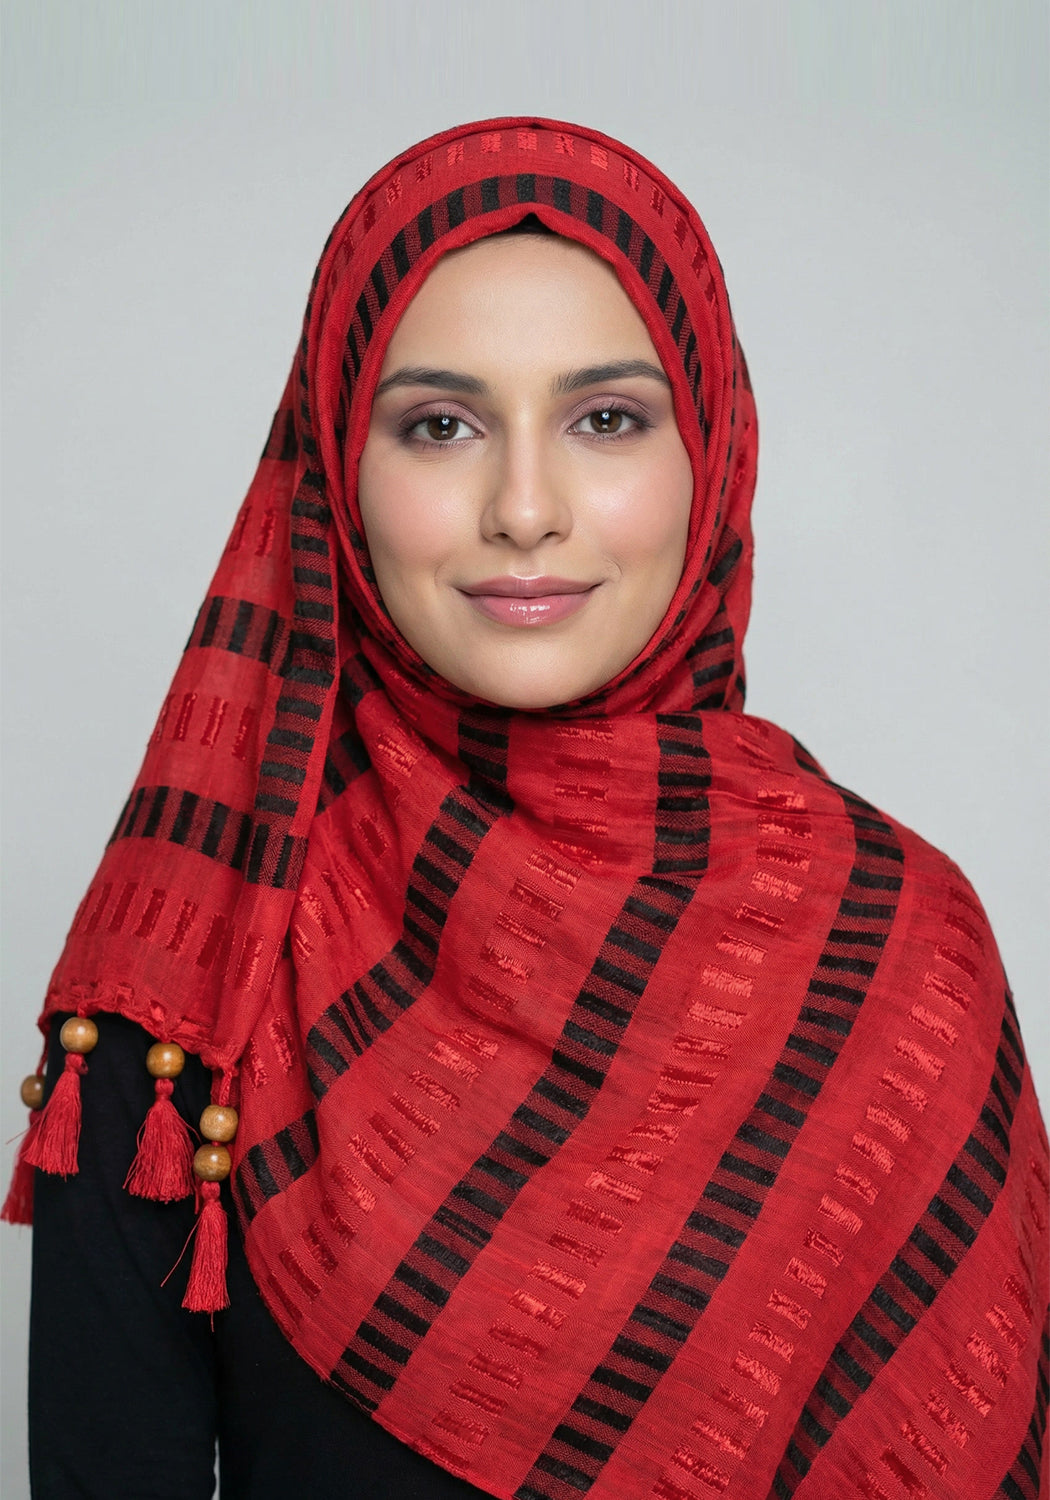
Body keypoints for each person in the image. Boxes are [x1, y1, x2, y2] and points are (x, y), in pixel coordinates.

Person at [6, 117, 1047, 1500]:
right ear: (335, 472)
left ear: (712, 455)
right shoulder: (200, 973)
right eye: (439, 426)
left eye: (604, 419)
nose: (524, 508)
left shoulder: (891, 957)